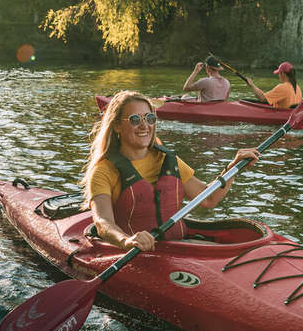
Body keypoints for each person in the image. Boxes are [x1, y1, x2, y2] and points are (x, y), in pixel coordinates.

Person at [84, 90, 259, 252]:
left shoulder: (167, 160)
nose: (144, 126)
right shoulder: (103, 170)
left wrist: (233, 168)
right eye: (135, 119)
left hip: (178, 248)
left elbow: (209, 199)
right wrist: (126, 241)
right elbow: (103, 222)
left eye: (149, 118)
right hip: (135, 254)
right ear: (116, 126)